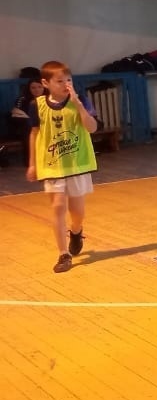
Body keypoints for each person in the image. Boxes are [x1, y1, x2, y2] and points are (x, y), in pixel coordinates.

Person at [26, 61, 99, 274]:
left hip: (76, 163)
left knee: (77, 212)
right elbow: (34, 134)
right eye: (59, 81)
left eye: (69, 80)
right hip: (52, 164)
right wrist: (32, 164)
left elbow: (92, 128)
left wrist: (78, 104)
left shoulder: (80, 99)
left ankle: (76, 231)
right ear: (45, 83)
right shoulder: (36, 105)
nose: (66, 84)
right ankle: (63, 253)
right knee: (58, 207)